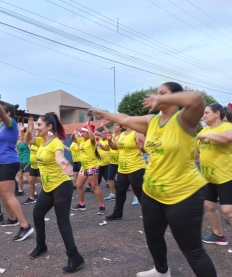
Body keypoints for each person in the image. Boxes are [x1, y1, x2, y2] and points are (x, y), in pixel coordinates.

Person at [93, 82, 217, 277]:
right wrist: (105, 114)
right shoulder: (152, 121)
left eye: (162, 93)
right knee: (153, 237)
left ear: (176, 97)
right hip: (152, 192)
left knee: (192, 250)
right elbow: (125, 118)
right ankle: (161, 271)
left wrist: (162, 99)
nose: (156, 95)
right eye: (157, 93)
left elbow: (196, 99)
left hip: (183, 194)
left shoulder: (185, 118)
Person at [24, 115, 84, 273]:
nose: (37, 127)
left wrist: (61, 160)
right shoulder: (39, 141)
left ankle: (75, 256)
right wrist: (30, 128)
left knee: (62, 220)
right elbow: (26, 140)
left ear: (49, 127)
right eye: (36, 124)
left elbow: (58, 154)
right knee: (37, 214)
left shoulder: (55, 142)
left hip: (62, 185)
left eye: (39, 124)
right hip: (48, 187)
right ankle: (41, 245)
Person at [198, 103, 232, 262]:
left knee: (229, 210)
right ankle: (218, 235)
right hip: (208, 176)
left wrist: (206, 136)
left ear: (217, 113)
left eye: (206, 113)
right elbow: (194, 150)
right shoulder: (204, 130)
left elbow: (229, 137)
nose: (204, 115)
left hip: (226, 175)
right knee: (209, 206)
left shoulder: (226, 126)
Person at [0, 86, 33, 241]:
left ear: (8, 113)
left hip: (8, 163)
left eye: (1, 113)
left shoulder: (10, 123)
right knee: (0, 192)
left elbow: (2, 114)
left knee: (8, 194)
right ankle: (12, 218)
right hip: (0, 163)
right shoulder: (2, 127)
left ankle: (25, 226)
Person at [105, 122, 146, 221]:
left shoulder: (137, 133)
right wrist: (109, 140)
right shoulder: (122, 134)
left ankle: (149, 214)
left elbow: (146, 149)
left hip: (136, 167)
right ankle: (117, 213)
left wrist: (142, 148)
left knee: (139, 192)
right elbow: (115, 147)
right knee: (120, 191)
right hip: (122, 168)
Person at [72, 122, 105, 215]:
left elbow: (92, 137)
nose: (82, 133)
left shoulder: (92, 141)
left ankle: (101, 206)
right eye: (81, 132)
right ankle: (82, 204)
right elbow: (73, 139)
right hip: (84, 167)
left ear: (88, 133)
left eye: (84, 132)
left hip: (92, 166)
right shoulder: (82, 140)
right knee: (78, 185)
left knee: (95, 186)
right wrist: (74, 133)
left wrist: (88, 127)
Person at [103, 122, 122, 201]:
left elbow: (116, 146)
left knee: (126, 180)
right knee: (110, 178)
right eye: (113, 125)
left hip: (121, 161)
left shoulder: (123, 136)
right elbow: (107, 147)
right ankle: (112, 194)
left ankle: (135, 197)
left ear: (121, 128)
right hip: (112, 162)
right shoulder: (112, 135)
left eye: (116, 125)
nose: (114, 126)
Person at [24, 128, 40, 205]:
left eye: (37, 132)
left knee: (43, 183)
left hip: (40, 166)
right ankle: (31, 198)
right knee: (31, 182)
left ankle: (48, 198)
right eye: (35, 132)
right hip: (33, 165)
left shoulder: (41, 142)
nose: (36, 133)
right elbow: (25, 140)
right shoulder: (32, 143)